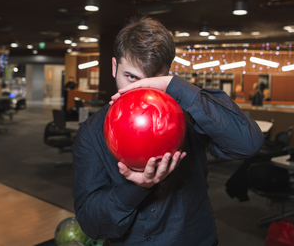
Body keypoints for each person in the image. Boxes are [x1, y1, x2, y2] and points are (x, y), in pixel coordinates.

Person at [72, 16, 264, 245]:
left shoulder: (188, 111)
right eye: (131, 77)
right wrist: (138, 187)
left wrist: (176, 87)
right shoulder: (91, 132)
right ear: (114, 67)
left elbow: (248, 143)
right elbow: (93, 224)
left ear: (166, 75)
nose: (139, 91)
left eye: (152, 80)